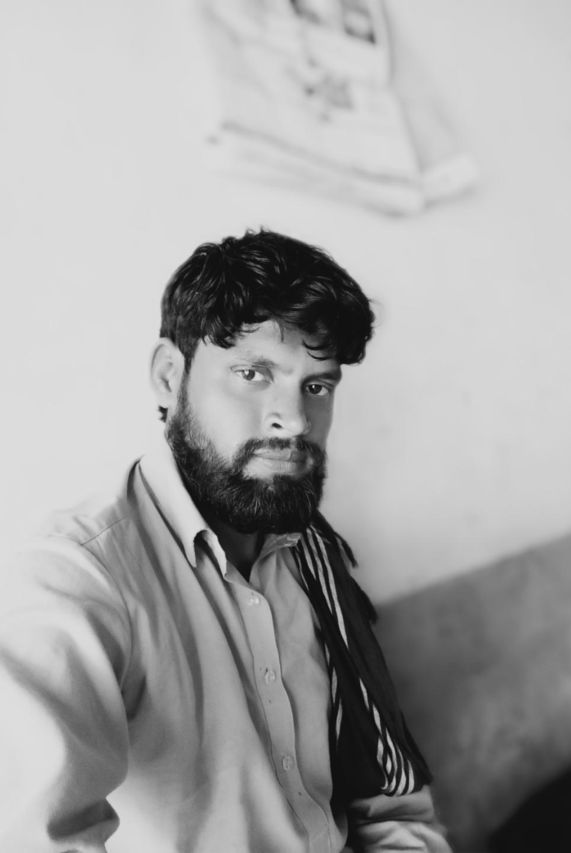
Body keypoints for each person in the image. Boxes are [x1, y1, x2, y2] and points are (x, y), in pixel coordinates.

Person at [0, 229, 451, 852]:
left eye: (317, 386)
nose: (293, 420)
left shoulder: (315, 559)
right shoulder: (76, 579)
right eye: (253, 373)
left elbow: (390, 804)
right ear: (169, 376)